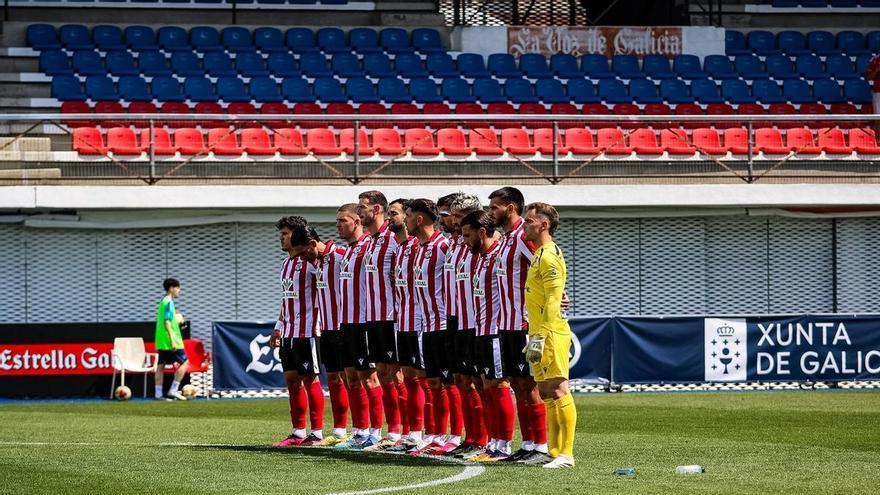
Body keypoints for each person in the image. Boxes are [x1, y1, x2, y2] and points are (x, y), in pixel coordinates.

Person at [487, 187, 549, 463]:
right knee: (518, 384)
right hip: (507, 324)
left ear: (511, 207)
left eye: (495, 207)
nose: (491, 213)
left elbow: (546, 265)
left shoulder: (526, 236)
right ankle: (527, 444)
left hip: (525, 324)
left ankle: (542, 446)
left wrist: (555, 296)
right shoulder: (505, 240)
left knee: (530, 385)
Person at [522, 202, 576, 469]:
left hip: (550, 332)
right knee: (545, 391)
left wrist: (542, 335)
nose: (524, 225)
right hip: (538, 332)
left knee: (558, 388)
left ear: (543, 225)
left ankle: (566, 454)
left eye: (529, 221)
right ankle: (554, 451)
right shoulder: (538, 253)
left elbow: (555, 299)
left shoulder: (549, 255)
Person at [460, 209, 514, 462]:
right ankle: (492, 443)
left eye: (468, 235)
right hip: (479, 329)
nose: (464, 241)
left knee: (498, 385)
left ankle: (503, 446)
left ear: (482, 232)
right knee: (486, 386)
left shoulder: (501, 254)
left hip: (496, 331)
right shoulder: (480, 257)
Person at [290, 225, 352, 446]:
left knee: (354, 379)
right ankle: (339, 431)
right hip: (325, 329)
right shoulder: (318, 262)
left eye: (305, 252)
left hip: (345, 327)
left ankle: (365, 431)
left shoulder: (342, 256)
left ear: (313, 244)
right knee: (334, 379)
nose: (303, 258)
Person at [404, 198, 456, 455]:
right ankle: (435, 435)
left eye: (408, 215)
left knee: (451, 383)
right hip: (425, 325)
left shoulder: (443, 246)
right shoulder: (417, 248)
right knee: (432, 382)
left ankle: (456, 437)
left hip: (444, 324)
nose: (405, 219)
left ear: (420, 219)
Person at [270, 216, 325, 448]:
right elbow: (286, 300)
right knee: (292, 380)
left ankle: (318, 433)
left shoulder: (312, 263)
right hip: (289, 332)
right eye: (280, 233)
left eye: (285, 233)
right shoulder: (285, 264)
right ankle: (298, 431)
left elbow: (327, 291)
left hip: (309, 331)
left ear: (297, 234)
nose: (281, 238)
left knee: (310, 379)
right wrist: (278, 327)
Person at [357, 190, 402, 449]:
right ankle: (389, 431)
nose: (359, 211)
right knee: (383, 373)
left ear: (376, 209)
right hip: (373, 318)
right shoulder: (370, 241)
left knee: (397, 375)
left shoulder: (393, 239)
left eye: (363, 207)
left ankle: (404, 432)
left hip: (392, 316)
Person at [445, 194, 489, 459]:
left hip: (477, 321)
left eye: (460, 217)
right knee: (461, 379)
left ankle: (485, 439)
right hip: (455, 320)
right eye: (453, 216)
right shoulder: (454, 245)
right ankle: (471, 437)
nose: (454, 221)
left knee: (480, 382)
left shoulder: (480, 247)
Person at [334, 204, 379, 449]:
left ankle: (377, 431)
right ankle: (360, 432)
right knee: (350, 378)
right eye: (337, 221)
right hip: (346, 323)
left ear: (357, 221)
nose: (338, 225)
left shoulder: (368, 248)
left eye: (343, 220)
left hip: (363, 322)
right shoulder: (347, 252)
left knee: (370, 377)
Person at [385, 198, 429, 452]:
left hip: (421, 321)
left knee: (422, 380)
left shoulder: (416, 246)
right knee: (407, 378)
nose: (391, 218)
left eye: (395, 213)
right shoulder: (400, 248)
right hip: (402, 321)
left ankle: (426, 434)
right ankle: (412, 433)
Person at [154, 278, 189, 401]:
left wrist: (178, 318)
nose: (179, 290)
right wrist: (173, 340)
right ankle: (173, 390)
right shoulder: (169, 302)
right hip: (170, 340)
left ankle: (158, 394)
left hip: (162, 340)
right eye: (178, 287)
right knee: (185, 362)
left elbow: (169, 318)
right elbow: (167, 322)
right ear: (171, 288)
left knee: (160, 366)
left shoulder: (163, 301)